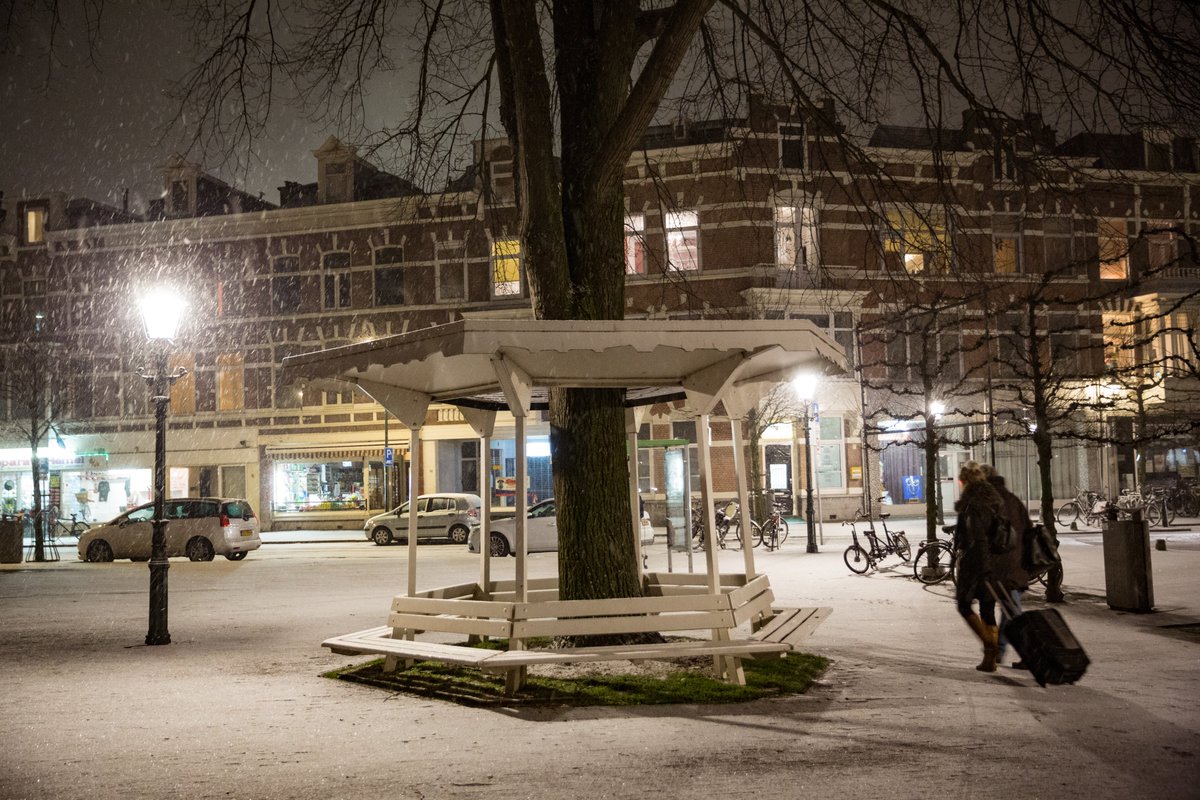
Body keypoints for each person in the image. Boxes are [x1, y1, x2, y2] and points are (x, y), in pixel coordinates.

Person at [952, 460, 1006, 672]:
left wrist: (982, 567)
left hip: (976, 564)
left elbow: (978, 537)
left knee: (963, 605)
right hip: (994, 561)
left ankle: (990, 646)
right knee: (987, 608)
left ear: (963, 481)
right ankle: (989, 660)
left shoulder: (972, 504)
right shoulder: (993, 499)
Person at [981, 464, 1032, 669]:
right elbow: (1027, 529)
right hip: (1015, 565)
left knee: (997, 610)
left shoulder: (988, 502)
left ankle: (1000, 652)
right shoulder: (1013, 499)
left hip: (997, 566)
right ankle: (1000, 651)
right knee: (1011, 610)